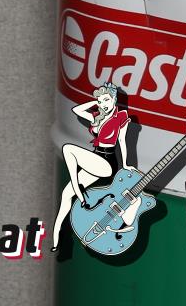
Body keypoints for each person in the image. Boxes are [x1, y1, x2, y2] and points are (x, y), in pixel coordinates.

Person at [53, 83, 130, 250]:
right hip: (96, 158)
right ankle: (57, 238)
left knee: (68, 149)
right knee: (66, 194)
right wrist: (96, 102)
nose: (103, 104)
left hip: (107, 161)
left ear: (114, 99)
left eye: (106, 100)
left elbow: (122, 142)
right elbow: (77, 110)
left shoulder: (121, 117)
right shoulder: (97, 117)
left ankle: (78, 190)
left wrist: (125, 165)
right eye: (101, 101)